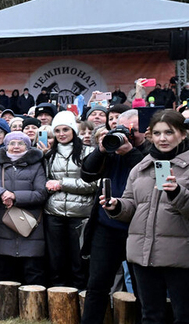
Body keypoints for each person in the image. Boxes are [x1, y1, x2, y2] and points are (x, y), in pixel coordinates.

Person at [101, 109, 189, 324]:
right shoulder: (141, 167)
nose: (162, 138)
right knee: (150, 316)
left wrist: (177, 193)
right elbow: (132, 204)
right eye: (157, 133)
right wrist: (116, 206)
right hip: (144, 255)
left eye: (169, 132)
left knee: (184, 316)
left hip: (181, 256)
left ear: (183, 134)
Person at [78, 116, 144, 324]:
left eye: (129, 129)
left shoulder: (151, 149)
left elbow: (151, 177)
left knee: (143, 289)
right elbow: (86, 174)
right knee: (97, 285)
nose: (123, 133)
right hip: (107, 228)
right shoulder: (111, 149)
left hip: (140, 229)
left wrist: (131, 152)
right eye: (116, 128)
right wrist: (101, 149)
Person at [0, 132, 48, 285]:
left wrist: (15, 196)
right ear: (6, 146)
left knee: (33, 276)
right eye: (12, 143)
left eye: (20, 143)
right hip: (3, 229)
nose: (16, 147)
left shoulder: (36, 166)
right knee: (6, 278)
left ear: (27, 146)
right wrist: (2, 193)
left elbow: (41, 193)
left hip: (30, 228)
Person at [43, 111, 97, 289]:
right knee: (56, 259)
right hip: (54, 213)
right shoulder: (49, 155)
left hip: (80, 214)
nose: (61, 134)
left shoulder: (89, 152)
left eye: (65, 129)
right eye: (57, 130)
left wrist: (61, 184)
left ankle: (81, 297)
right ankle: (58, 297)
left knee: (79, 260)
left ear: (73, 130)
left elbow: (94, 184)